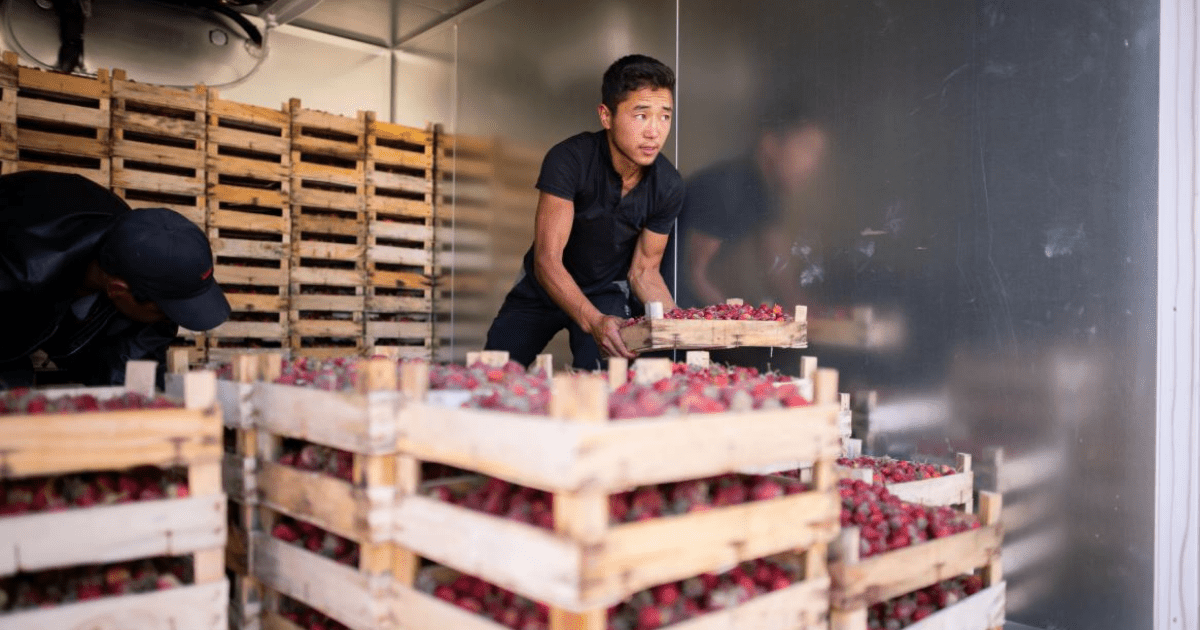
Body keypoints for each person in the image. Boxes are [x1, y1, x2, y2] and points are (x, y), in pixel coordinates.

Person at [484, 54, 683, 369]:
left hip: (604, 292)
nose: (654, 132)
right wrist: (593, 321)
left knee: (605, 379)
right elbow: (547, 260)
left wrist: (681, 328)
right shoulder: (569, 160)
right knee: (493, 368)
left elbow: (644, 272)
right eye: (641, 115)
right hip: (544, 286)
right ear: (606, 116)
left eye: (665, 117)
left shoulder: (668, 185)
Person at [0, 171, 231, 387]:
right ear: (118, 290)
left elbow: (132, 364)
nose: (169, 320)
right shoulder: (17, 275)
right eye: (163, 311)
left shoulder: (135, 243)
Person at [675, 103, 832, 310]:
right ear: (770, 144)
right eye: (805, 148)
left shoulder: (767, 191)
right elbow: (694, 275)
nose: (812, 164)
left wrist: (812, 312)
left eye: (817, 155)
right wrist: (742, 317)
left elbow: (779, 273)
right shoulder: (727, 187)